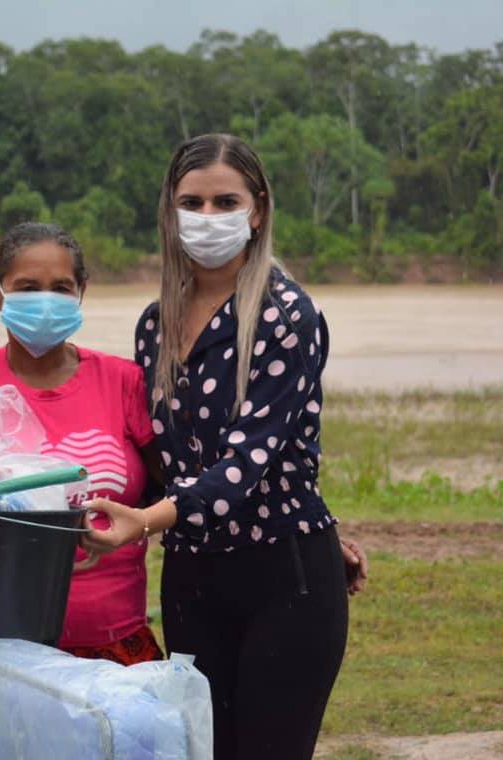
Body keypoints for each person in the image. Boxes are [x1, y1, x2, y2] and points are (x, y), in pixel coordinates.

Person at [83, 133, 366, 760]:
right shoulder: (154, 323)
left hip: (282, 577)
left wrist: (143, 524)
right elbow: (161, 457)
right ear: (170, 209)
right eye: (192, 203)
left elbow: (246, 463)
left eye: (225, 202)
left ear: (257, 210)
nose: (207, 218)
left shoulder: (286, 314)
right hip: (192, 578)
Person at [0, 222, 164, 665]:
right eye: (28, 287)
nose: (46, 301)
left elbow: (166, 493)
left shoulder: (124, 381)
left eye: (61, 287)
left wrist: (140, 524)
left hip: (114, 638)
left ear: (82, 291)